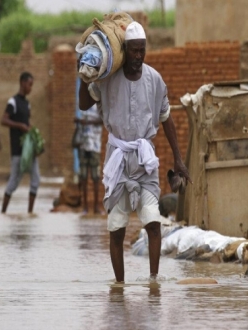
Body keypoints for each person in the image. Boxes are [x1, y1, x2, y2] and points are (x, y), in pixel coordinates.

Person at [78, 22, 192, 283]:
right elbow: (84, 104)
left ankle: (153, 281)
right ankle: (119, 287)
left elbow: (166, 118)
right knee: (116, 228)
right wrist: (83, 76)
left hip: (144, 161)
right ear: (125, 50)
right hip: (118, 159)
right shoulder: (108, 79)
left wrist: (178, 158)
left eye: (143, 51)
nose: (139, 56)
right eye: (134, 51)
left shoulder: (154, 79)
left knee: (153, 223)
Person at [0, 72, 40, 214]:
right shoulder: (13, 102)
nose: (30, 88)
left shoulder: (27, 104)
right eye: (29, 85)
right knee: (14, 182)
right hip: (18, 150)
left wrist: (34, 139)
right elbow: (4, 120)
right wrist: (19, 126)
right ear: (22, 83)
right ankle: (3, 212)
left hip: (29, 150)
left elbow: (27, 124)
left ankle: (30, 213)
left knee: (36, 179)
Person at [74, 103, 104, 215]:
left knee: (95, 177)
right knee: (83, 177)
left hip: (95, 145)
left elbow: (103, 121)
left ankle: (96, 207)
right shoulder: (81, 104)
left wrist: (88, 122)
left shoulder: (99, 104)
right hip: (83, 144)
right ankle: (85, 207)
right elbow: (79, 120)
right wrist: (78, 121)